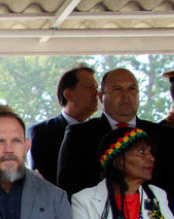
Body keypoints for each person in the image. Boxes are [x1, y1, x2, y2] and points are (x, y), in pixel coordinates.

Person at [57, 68, 174, 200]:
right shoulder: (79, 135)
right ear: (101, 97)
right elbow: (69, 188)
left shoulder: (165, 135)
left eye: (132, 88)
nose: (126, 95)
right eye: (118, 89)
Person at [27, 64, 99, 185]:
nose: (97, 93)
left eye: (97, 87)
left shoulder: (102, 131)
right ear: (69, 95)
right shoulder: (41, 133)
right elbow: (40, 182)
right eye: (90, 87)